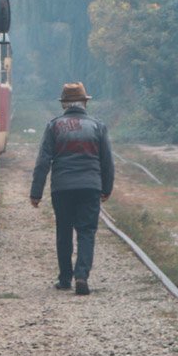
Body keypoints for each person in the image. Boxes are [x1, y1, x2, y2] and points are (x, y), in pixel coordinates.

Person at [29, 82, 114, 295]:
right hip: (90, 186)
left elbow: (43, 161)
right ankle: (81, 276)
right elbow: (107, 162)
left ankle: (65, 279)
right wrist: (106, 188)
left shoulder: (54, 126)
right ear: (85, 102)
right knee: (87, 231)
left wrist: (36, 192)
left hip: (62, 187)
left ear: (63, 104)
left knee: (64, 231)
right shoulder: (97, 126)